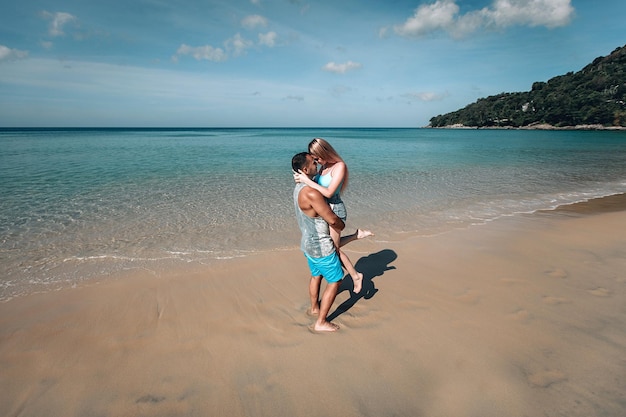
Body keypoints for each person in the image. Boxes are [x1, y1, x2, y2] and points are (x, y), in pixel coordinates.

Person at [294, 138, 372, 294]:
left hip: (335, 210)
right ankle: (356, 235)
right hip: (323, 210)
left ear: (325, 151)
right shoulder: (322, 168)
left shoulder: (339, 167)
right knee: (329, 247)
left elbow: (329, 192)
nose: (316, 160)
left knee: (333, 250)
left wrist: (307, 181)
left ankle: (356, 276)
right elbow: (313, 190)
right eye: (314, 158)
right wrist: (303, 178)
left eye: (317, 157)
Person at [292, 152, 345, 332]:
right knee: (336, 280)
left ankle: (315, 308)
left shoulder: (298, 187)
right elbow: (331, 219)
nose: (316, 165)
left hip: (307, 244)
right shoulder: (311, 193)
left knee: (317, 275)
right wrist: (341, 224)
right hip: (320, 246)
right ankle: (321, 322)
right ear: (305, 169)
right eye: (313, 163)